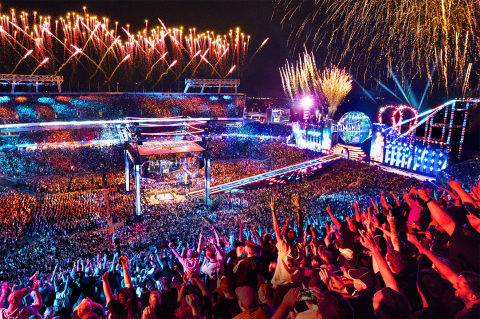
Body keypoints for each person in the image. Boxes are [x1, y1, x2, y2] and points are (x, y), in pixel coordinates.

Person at [270, 194, 305, 298]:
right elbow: (277, 230)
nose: (293, 232)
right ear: (285, 235)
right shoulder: (295, 247)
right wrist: (298, 209)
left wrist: (273, 210)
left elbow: (300, 228)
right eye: (290, 232)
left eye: (293, 232)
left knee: (286, 310)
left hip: (285, 286)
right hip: (291, 285)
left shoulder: (286, 247)